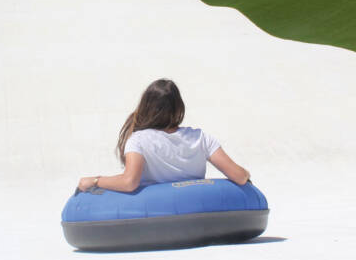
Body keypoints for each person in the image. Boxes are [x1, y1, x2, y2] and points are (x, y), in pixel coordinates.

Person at [77, 79, 250, 193]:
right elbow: (240, 176)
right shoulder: (200, 138)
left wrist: (94, 181)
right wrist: (246, 173)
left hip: (153, 213)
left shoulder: (138, 140)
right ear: (179, 107)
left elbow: (129, 182)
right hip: (195, 209)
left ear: (146, 107)